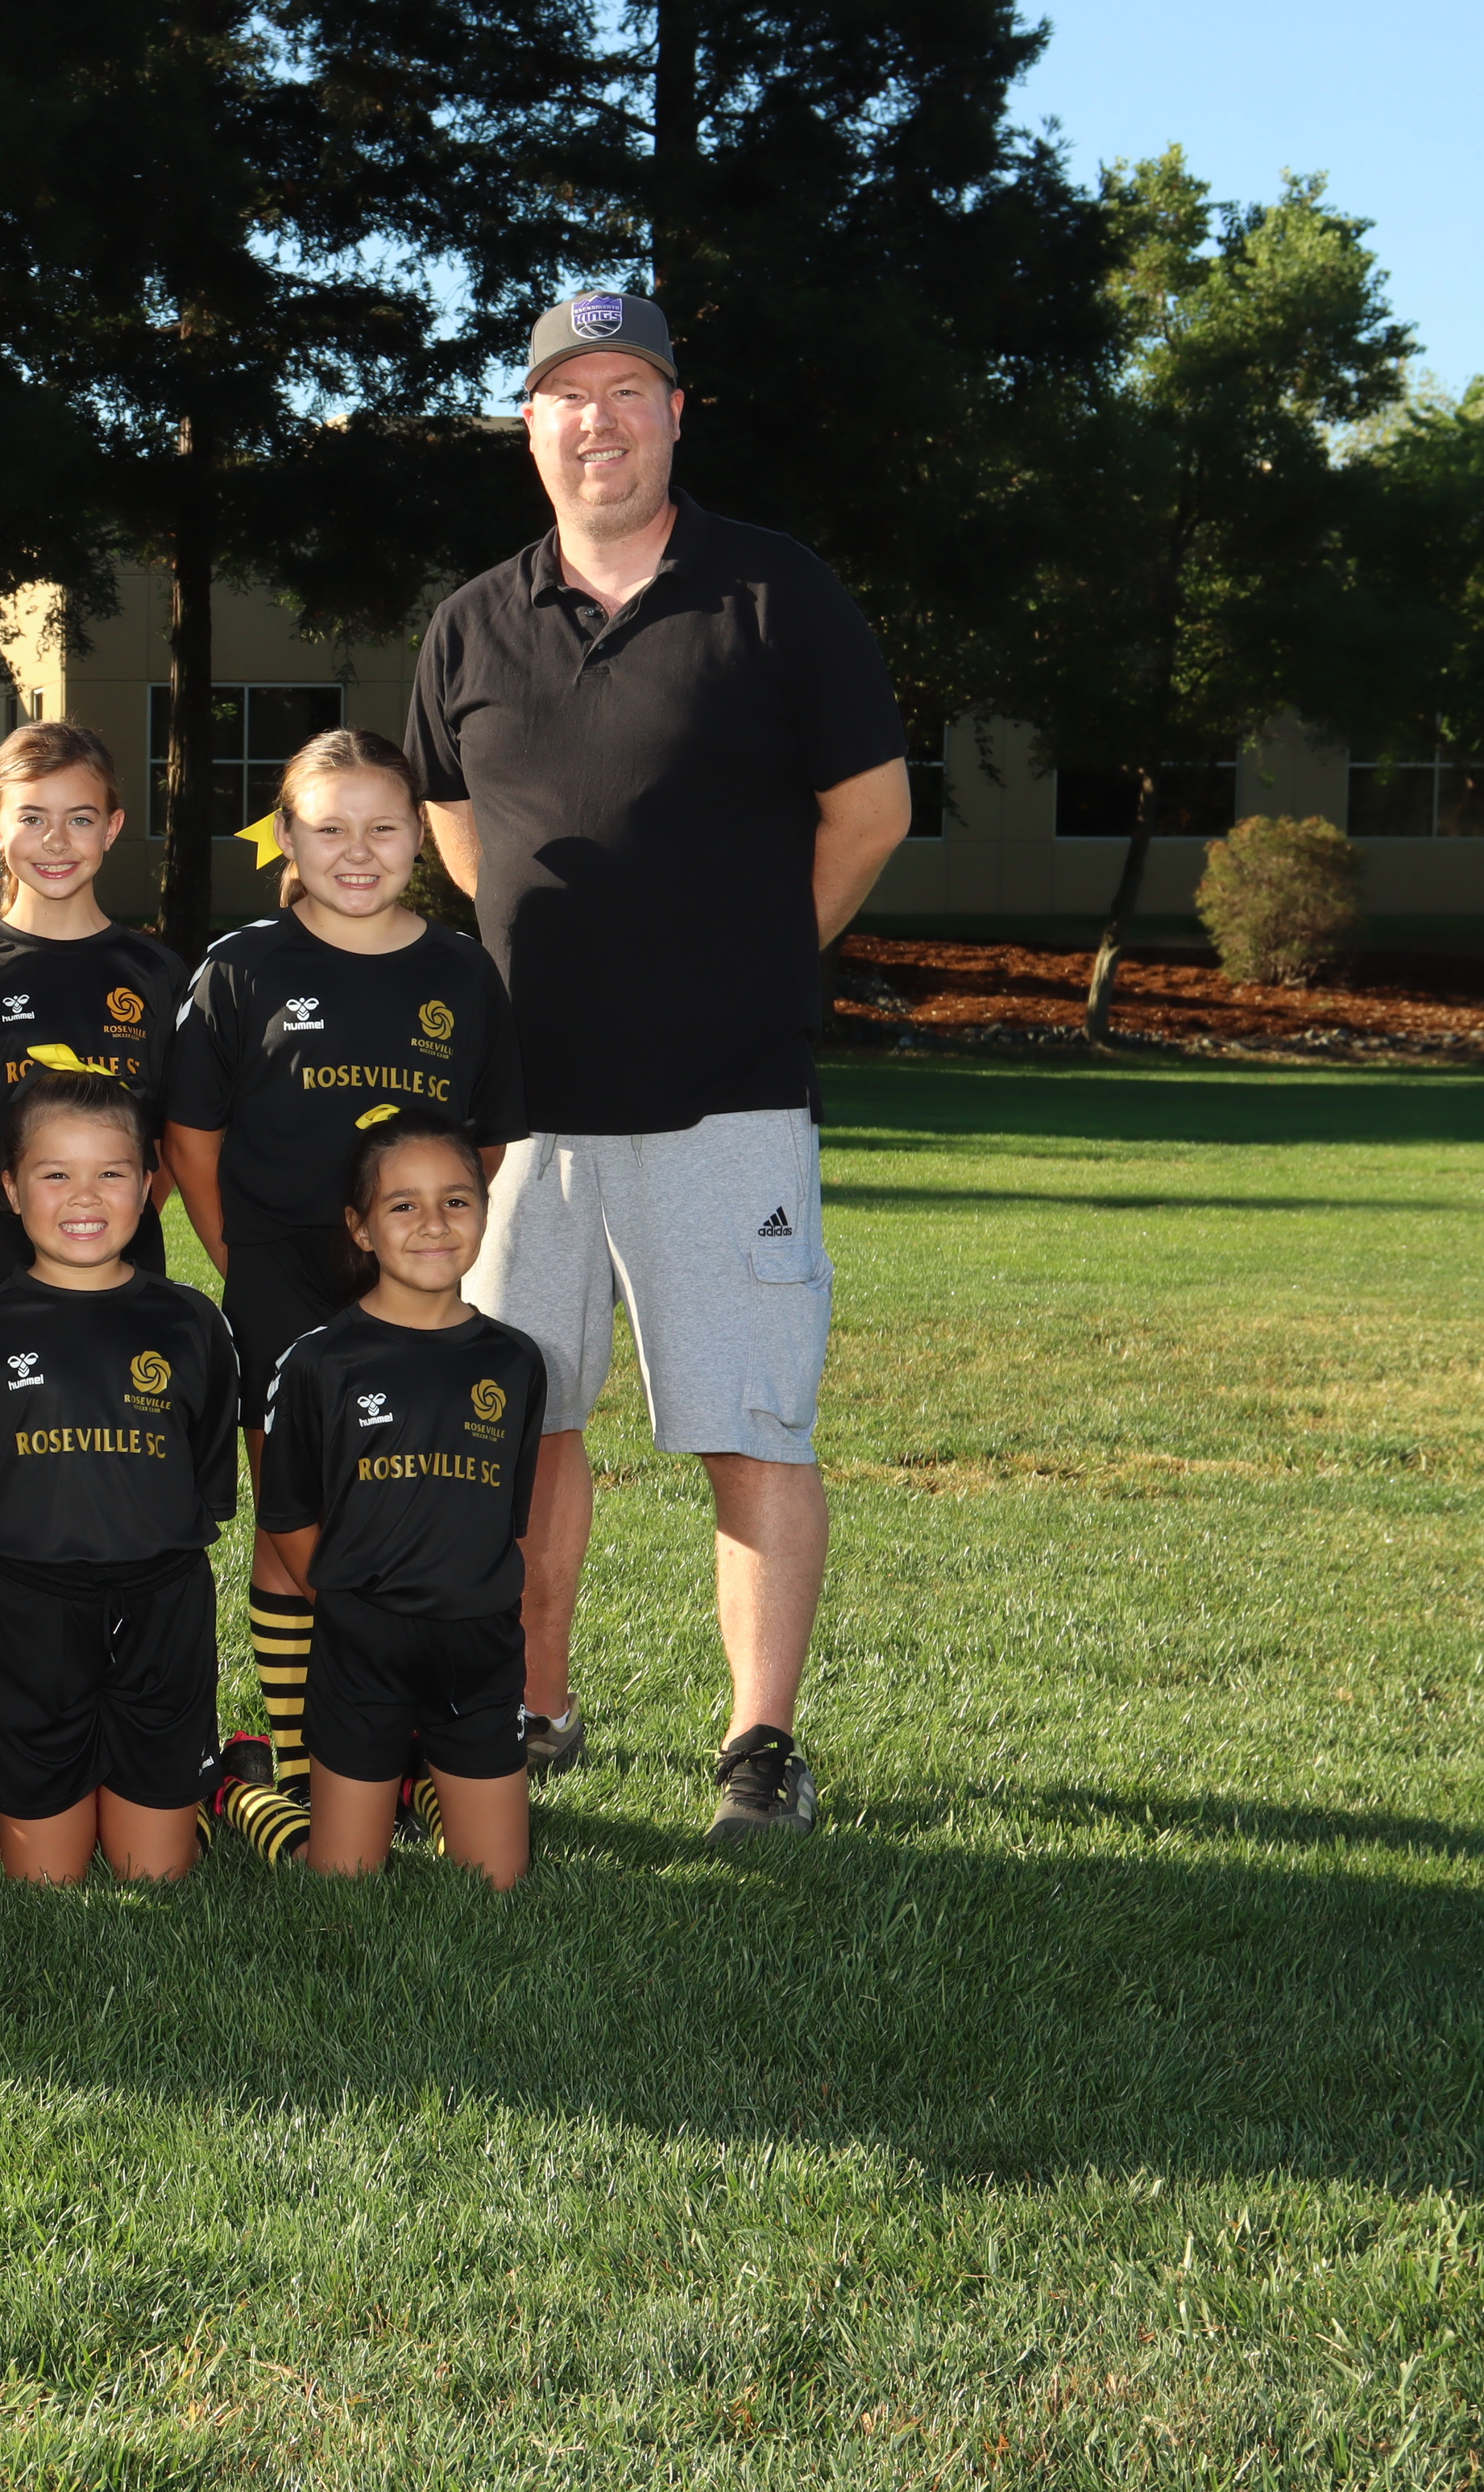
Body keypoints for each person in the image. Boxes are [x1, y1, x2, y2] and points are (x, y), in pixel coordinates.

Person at [404, 288, 910, 1838]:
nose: (600, 420)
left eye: (630, 389)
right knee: (524, 1421)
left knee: (748, 1424)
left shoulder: (776, 590)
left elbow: (872, 813)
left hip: (728, 1101)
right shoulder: (471, 622)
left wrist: (753, 962)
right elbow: (453, 828)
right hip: (522, 1117)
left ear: (677, 415)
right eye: (571, 394)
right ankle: (534, 1703)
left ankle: (759, 1744)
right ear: (531, 426)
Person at [161, 728, 522, 1808]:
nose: (356, 852)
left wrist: (418, 1252)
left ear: (420, 836)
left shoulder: (461, 972)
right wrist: (244, 1259)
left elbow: (483, 1145)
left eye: (382, 827)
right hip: (280, 1282)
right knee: (297, 1527)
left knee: (405, 1514)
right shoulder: (242, 967)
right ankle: (304, 1762)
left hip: (411, 1297)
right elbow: (191, 1140)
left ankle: (401, 1746)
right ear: (287, 836)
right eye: (329, 828)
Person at [0, 1072, 242, 1885]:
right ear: (10, 1189)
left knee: (154, 1871)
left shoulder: (193, 1325)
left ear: (147, 1185)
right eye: (55, 1173)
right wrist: (13, 1610)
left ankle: (222, 1785)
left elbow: (204, 1482)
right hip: (30, 1613)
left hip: (163, 1610)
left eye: (111, 1171)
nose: (85, 1195)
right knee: (47, 1878)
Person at [250, 1118, 548, 1889]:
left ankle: (425, 1781)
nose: (434, 1224)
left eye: (456, 1201)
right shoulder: (320, 1361)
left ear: (485, 1211)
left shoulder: (515, 1361)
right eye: (403, 1205)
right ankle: (243, 1796)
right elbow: (286, 1514)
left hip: (479, 1651)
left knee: (497, 1882)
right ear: (360, 1227)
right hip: (362, 1647)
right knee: (343, 1878)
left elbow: (507, 1514)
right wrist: (348, 1604)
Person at [0, 722, 184, 1316]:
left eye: (81, 819)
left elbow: (167, 1140)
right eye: (32, 818)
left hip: (123, 1259)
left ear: (112, 828)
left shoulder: (157, 974)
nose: (57, 841)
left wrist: (115, 1221)